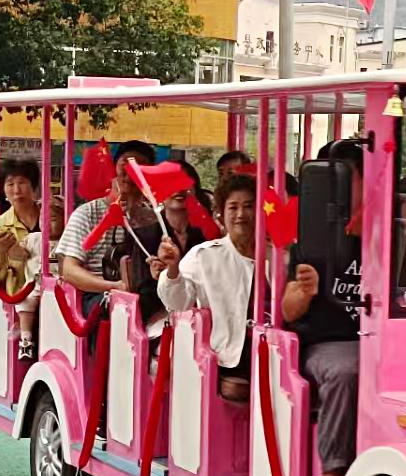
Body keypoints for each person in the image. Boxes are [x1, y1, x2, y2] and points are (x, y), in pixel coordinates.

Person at [282, 139, 363, 476]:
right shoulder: (310, 241)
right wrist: (305, 291)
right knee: (349, 370)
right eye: (340, 180)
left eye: (353, 179)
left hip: (385, 339)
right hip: (328, 343)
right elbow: (288, 310)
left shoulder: (389, 235)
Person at [157, 173, 258, 401]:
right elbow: (178, 303)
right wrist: (172, 269)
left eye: (248, 206)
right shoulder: (204, 255)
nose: (241, 214)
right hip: (228, 355)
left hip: (273, 350)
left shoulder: (278, 256)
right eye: (233, 207)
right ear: (221, 214)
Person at [57, 140, 156, 304]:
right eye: (125, 164)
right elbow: (69, 270)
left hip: (144, 294)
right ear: (114, 168)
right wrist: (114, 286)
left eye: (140, 167)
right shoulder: (87, 213)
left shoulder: (152, 218)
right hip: (97, 295)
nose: (131, 172)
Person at [122, 160, 211, 327]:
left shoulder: (209, 235)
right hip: (160, 320)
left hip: (205, 316)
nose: (179, 189)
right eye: (171, 183)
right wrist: (161, 277)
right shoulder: (144, 237)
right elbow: (142, 293)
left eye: (184, 182)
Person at [0, 158, 41, 297]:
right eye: (10, 184)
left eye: (22, 183)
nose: (16, 190)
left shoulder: (52, 216)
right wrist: (2, 252)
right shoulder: (0, 227)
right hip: (20, 297)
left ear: (34, 186)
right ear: (3, 189)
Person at [15, 195, 64, 360]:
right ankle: (26, 340)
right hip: (35, 285)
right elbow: (19, 254)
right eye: (43, 219)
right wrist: (13, 247)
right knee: (25, 300)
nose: (47, 224)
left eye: (53, 219)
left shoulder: (66, 241)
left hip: (59, 286)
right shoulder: (33, 239)